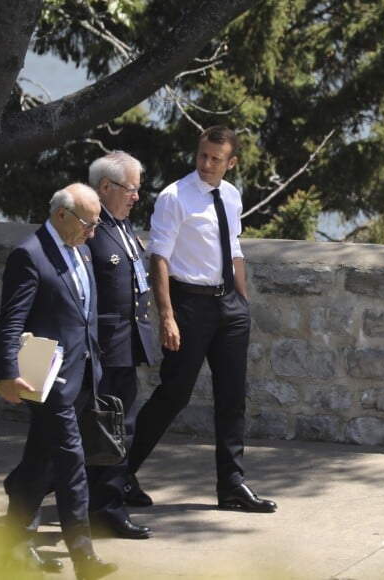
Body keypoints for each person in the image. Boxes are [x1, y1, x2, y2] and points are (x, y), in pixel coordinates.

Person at [125, 126, 277, 513]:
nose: (207, 164)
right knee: (173, 395)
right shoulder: (174, 197)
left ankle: (232, 486)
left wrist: (241, 301)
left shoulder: (231, 195)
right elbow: (158, 257)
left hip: (228, 306)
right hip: (189, 306)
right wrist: (167, 316)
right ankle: (121, 473)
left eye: (215, 158)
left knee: (232, 400)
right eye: (202, 156)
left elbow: (234, 248)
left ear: (231, 162)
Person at [0, 183, 118, 580]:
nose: (93, 232)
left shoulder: (79, 249)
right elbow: (11, 320)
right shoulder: (28, 255)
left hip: (83, 376)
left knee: (39, 464)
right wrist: (7, 373)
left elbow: (83, 314)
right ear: (62, 214)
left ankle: (12, 547)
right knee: (70, 463)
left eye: (97, 224)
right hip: (46, 380)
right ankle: (84, 559)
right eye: (87, 223)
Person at [85, 152, 154, 539]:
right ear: (105, 187)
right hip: (103, 347)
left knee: (119, 428)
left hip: (127, 344)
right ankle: (105, 507)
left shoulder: (123, 227)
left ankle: (106, 502)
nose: (136, 197)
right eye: (130, 189)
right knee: (105, 430)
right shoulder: (92, 229)